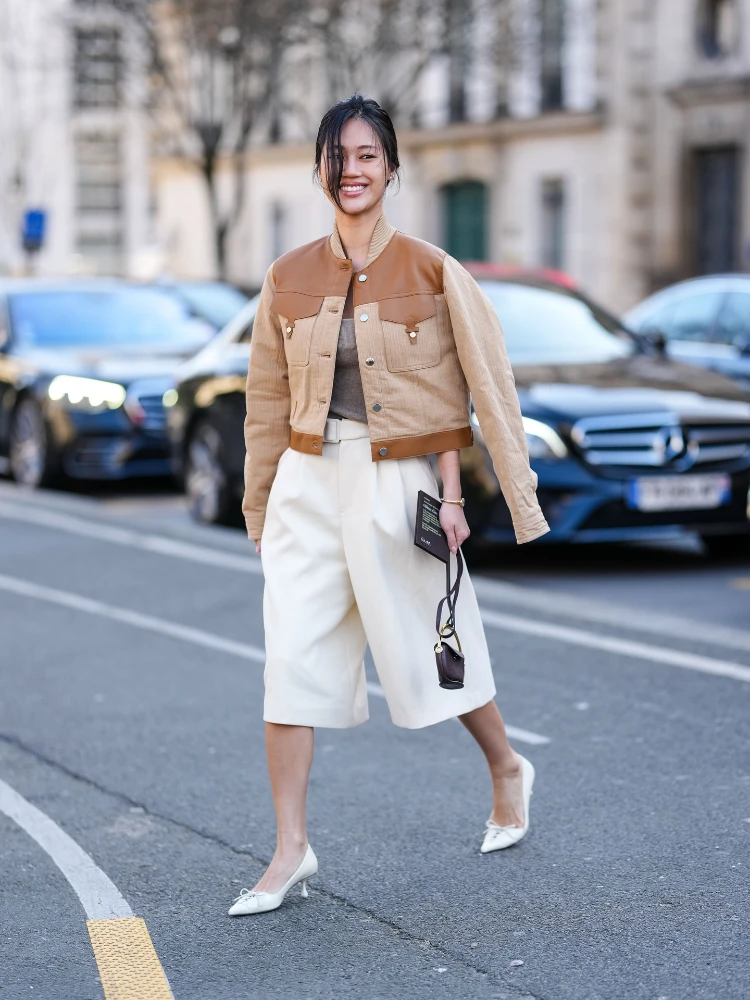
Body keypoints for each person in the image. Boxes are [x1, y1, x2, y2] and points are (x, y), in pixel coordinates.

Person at [229, 95, 549, 917]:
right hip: (306, 481)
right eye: (339, 156)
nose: (353, 170)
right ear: (321, 171)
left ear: (392, 169)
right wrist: (261, 507)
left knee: (428, 650)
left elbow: (459, 392)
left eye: (368, 155)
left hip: (398, 481)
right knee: (289, 664)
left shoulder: (432, 269)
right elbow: (266, 401)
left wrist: (452, 494)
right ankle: (290, 848)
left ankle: (507, 767)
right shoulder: (286, 277)